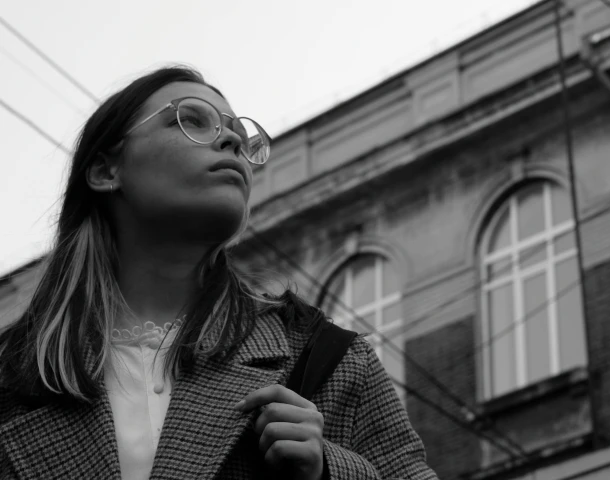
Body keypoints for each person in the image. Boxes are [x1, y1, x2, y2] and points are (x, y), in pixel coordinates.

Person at [0, 66, 438, 480]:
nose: (230, 140)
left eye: (238, 134)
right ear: (105, 170)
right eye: (191, 120)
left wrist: (328, 470)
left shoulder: (327, 357)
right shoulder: (11, 373)